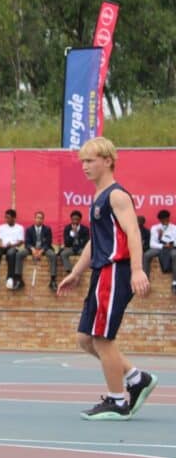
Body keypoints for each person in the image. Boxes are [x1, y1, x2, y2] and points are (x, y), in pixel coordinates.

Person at [57, 137, 157, 420]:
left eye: (90, 161)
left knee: (102, 338)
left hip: (116, 271)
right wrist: (76, 272)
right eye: (82, 162)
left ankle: (117, 400)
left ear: (108, 160)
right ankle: (137, 379)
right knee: (85, 340)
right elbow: (95, 241)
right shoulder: (98, 197)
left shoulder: (117, 195)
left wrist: (138, 269)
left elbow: (133, 233)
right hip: (100, 272)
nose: (85, 167)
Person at [14, 211, 56, 291]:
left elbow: (48, 242)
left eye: (41, 218)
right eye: (37, 218)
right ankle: (19, 280)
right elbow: (27, 242)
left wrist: (41, 251)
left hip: (44, 248)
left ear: (43, 220)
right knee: (19, 254)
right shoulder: (29, 229)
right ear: (34, 218)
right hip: (31, 249)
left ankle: (53, 280)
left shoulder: (47, 229)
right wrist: (32, 249)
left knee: (53, 255)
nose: (39, 220)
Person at [0, 209, 24, 289]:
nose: (6, 219)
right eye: (6, 217)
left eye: (8, 217)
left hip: (13, 247)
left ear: (14, 218)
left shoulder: (19, 227)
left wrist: (12, 245)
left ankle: (10, 278)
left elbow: (21, 241)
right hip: (3, 247)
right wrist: (1, 245)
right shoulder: (2, 227)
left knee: (11, 253)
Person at [143, 209, 176, 286]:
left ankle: (175, 282)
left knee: (175, 255)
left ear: (169, 218)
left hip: (172, 247)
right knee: (147, 255)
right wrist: (162, 242)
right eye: (163, 220)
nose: (165, 221)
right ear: (160, 220)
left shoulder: (174, 228)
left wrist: (171, 244)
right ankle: (145, 280)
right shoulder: (155, 228)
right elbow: (152, 244)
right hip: (159, 248)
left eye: (166, 219)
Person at [59, 210, 90, 287]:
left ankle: (80, 272)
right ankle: (70, 272)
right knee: (63, 254)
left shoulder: (85, 229)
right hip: (71, 248)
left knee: (86, 255)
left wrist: (77, 234)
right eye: (73, 219)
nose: (75, 221)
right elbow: (67, 243)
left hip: (80, 248)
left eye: (77, 219)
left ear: (80, 220)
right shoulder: (67, 228)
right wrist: (73, 233)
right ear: (71, 219)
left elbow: (86, 242)